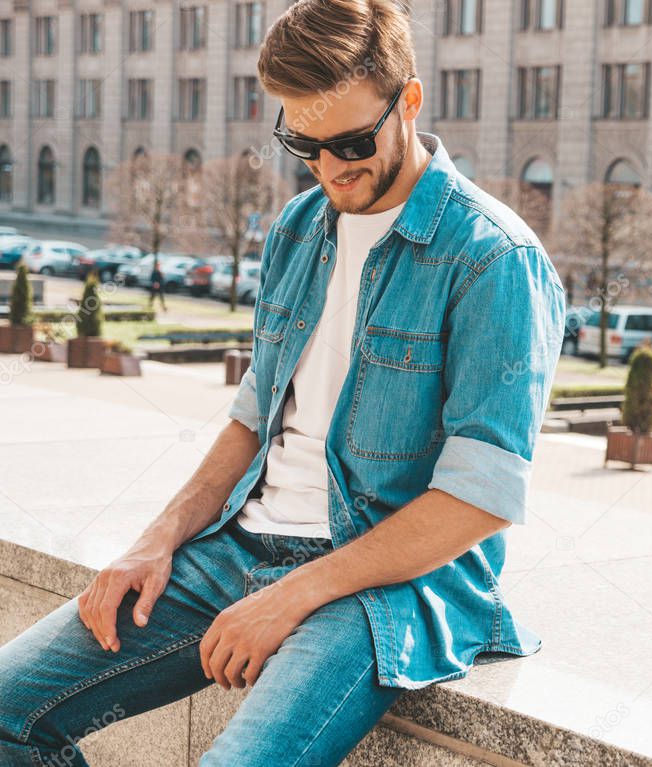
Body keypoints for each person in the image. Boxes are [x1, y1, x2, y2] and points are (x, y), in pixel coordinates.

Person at [0, 2, 565, 765]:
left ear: (410, 101)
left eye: (354, 142)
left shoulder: (493, 259)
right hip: (237, 547)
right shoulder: (299, 229)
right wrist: (156, 539)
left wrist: (294, 595)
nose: (332, 167)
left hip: (383, 587)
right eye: (306, 143)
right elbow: (252, 418)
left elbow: (479, 498)